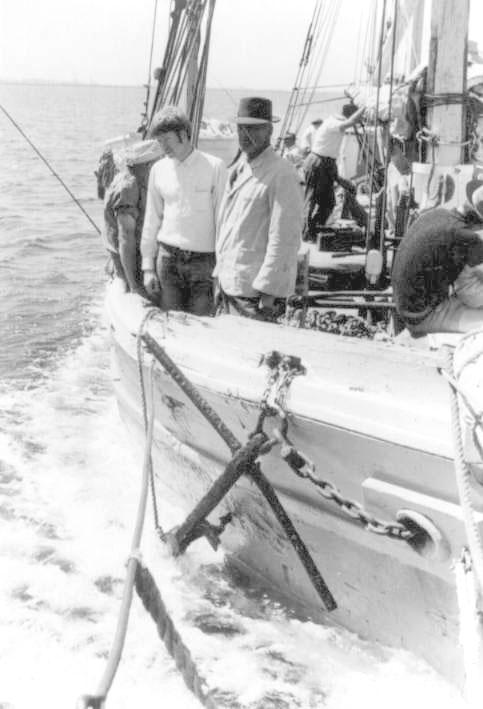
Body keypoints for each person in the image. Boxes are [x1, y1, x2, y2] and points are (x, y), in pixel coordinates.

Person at [215, 96, 304, 321]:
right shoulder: (241, 168)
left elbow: (285, 238)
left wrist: (269, 294)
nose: (245, 135)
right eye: (241, 128)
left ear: (269, 131)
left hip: (252, 292)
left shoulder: (282, 173)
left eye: (254, 129)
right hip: (227, 283)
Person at [141, 106, 227, 315]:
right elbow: (152, 219)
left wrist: (220, 272)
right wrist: (148, 267)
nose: (163, 147)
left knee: (203, 328)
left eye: (167, 140)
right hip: (167, 260)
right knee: (170, 326)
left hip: (204, 264)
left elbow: (223, 222)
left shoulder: (215, 167)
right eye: (159, 142)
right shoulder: (158, 170)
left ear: (183, 134)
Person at [392, 181, 483, 335]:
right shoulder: (467, 237)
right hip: (421, 316)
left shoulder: (438, 214)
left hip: (406, 304)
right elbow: (468, 294)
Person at [102, 139, 162, 294]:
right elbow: (125, 237)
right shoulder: (128, 187)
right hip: (131, 259)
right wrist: (134, 285)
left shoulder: (137, 180)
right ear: (149, 166)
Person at [303, 103, 365, 241]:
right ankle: (306, 233)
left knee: (329, 202)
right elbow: (352, 121)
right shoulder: (332, 123)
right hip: (318, 162)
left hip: (327, 163)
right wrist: (366, 107)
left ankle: (315, 230)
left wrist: (341, 180)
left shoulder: (333, 123)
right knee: (311, 200)